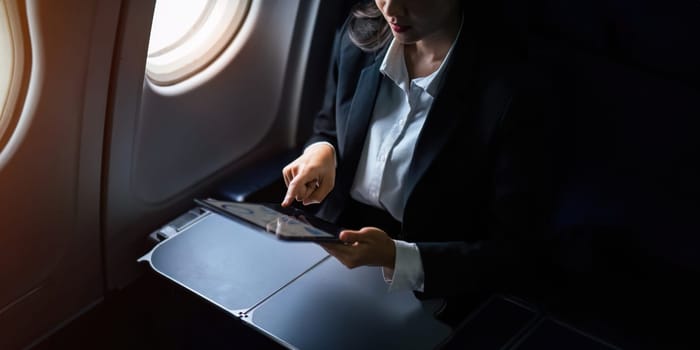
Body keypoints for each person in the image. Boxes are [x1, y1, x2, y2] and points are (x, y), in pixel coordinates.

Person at [281, 0, 551, 325]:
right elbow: (328, 125)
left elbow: (511, 251)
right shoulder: (360, 34)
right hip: (334, 240)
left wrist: (396, 257)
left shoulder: (510, 90)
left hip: (433, 276)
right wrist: (322, 151)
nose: (392, 9)